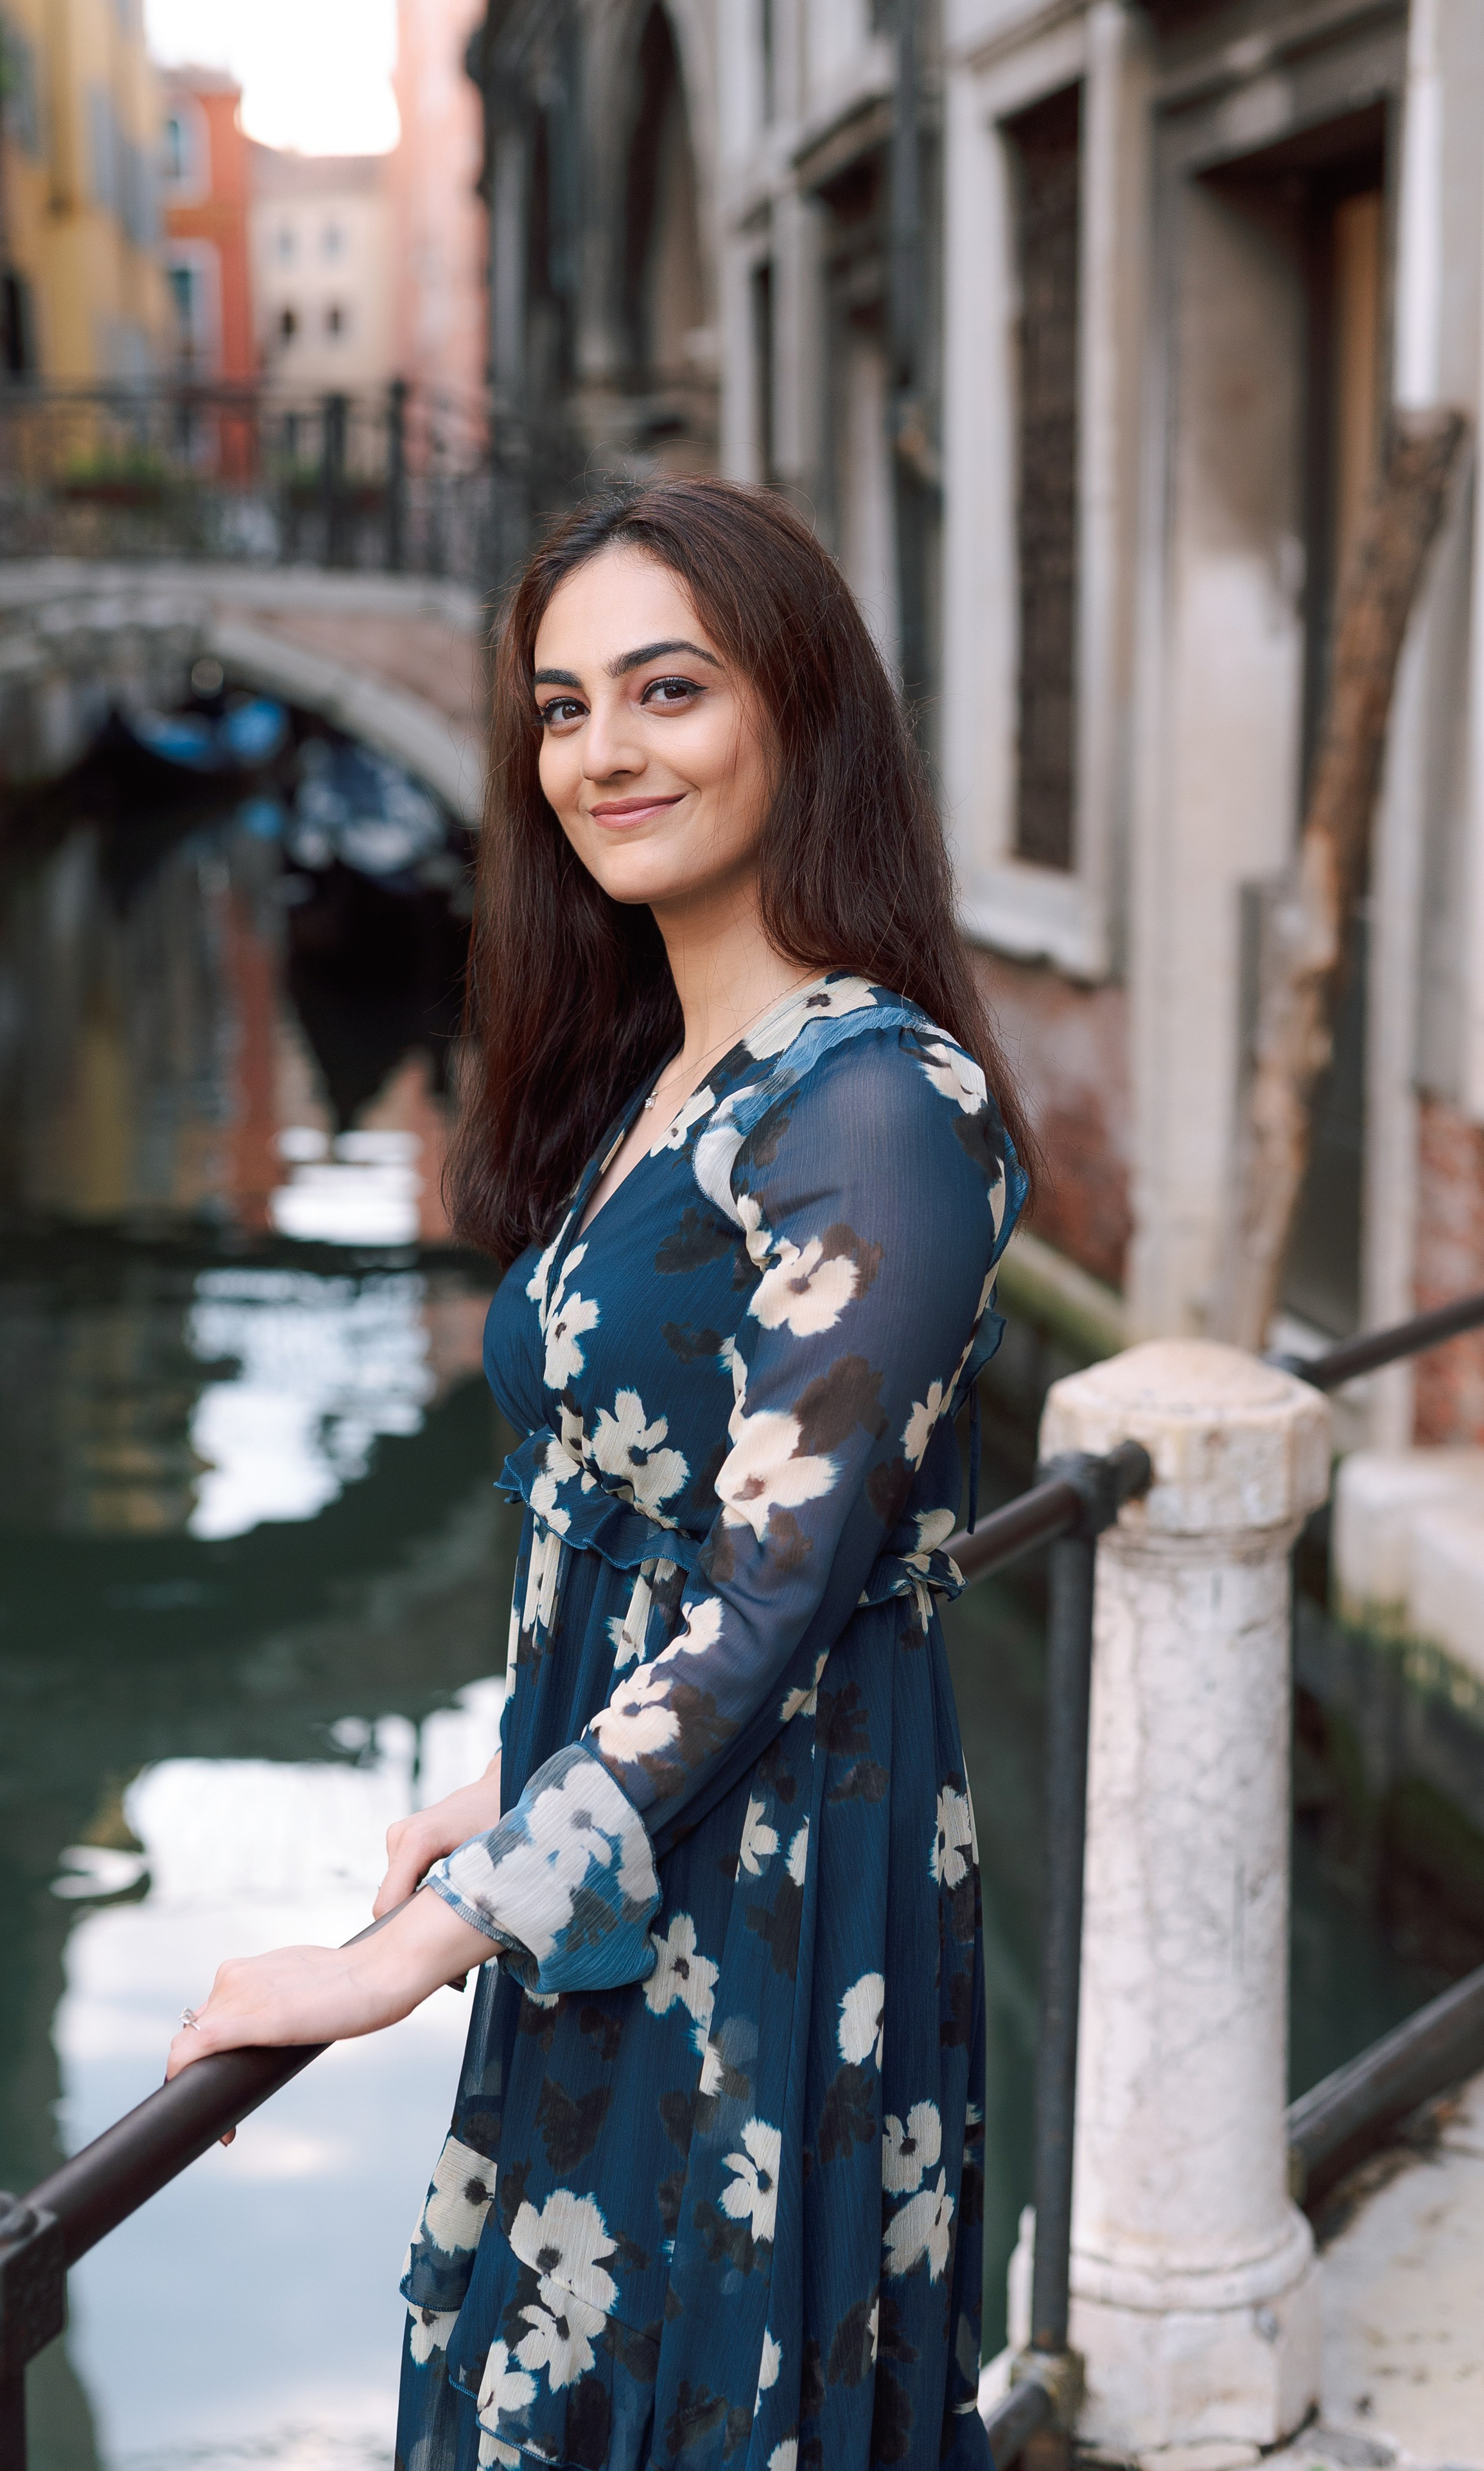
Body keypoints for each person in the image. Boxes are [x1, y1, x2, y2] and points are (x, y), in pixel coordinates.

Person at [167, 477, 1033, 2471]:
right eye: (561, 707)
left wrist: (399, 1952)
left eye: (667, 690)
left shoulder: (876, 1105)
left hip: (782, 1904)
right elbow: (676, 1538)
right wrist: (512, 1772)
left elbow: (773, 1605)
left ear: (801, 717)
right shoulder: (673, 1076)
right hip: (637, 1855)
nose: (602, 753)